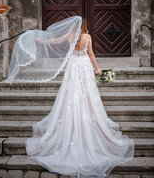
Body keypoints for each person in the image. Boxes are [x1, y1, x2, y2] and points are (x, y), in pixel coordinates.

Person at [25, 17, 134, 178]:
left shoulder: (70, 35)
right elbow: (90, 53)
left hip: (73, 65)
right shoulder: (87, 37)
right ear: (84, 26)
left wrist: (42, 41)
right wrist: (97, 70)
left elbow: (55, 41)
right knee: (87, 94)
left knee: (69, 93)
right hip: (83, 66)